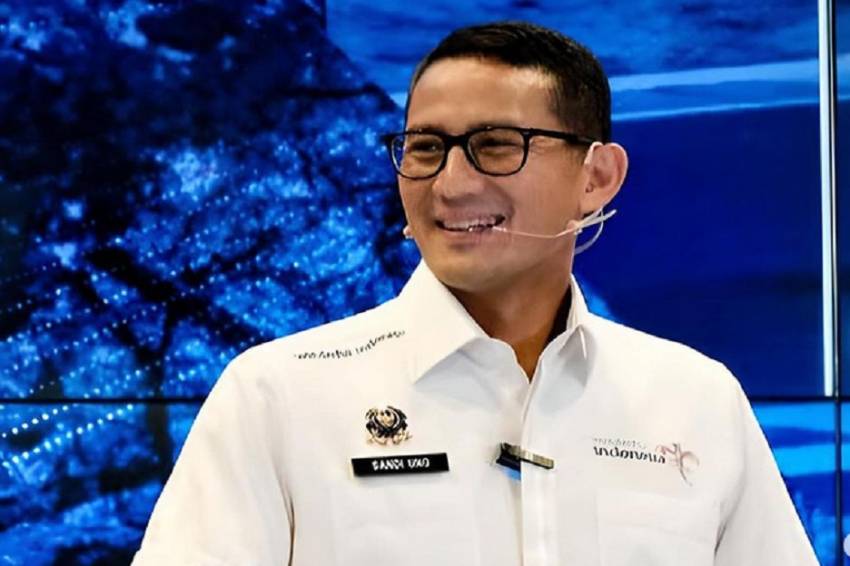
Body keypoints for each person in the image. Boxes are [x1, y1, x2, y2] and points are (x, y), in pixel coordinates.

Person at [132, 21, 819, 566]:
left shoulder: (697, 399)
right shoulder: (277, 396)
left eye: (496, 145)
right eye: (425, 148)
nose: (452, 184)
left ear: (596, 177)